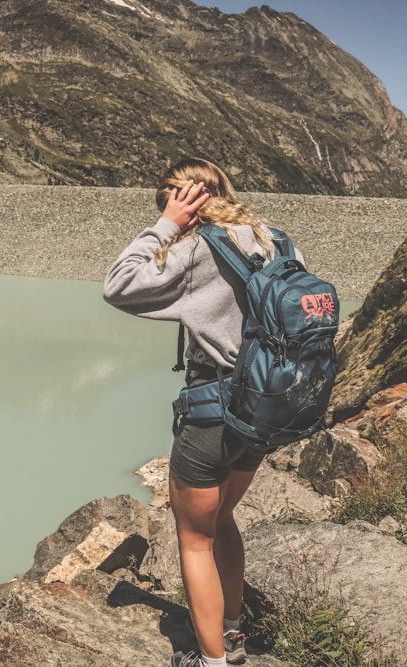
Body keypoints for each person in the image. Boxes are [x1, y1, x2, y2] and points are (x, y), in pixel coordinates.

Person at [103, 158, 301, 667]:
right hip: (264, 408)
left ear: (183, 198)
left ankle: (212, 661)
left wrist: (167, 224)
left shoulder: (195, 249)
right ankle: (231, 635)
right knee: (225, 520)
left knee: (194, 540)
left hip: (211, 411)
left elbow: (119, 285)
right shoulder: (277, 241)